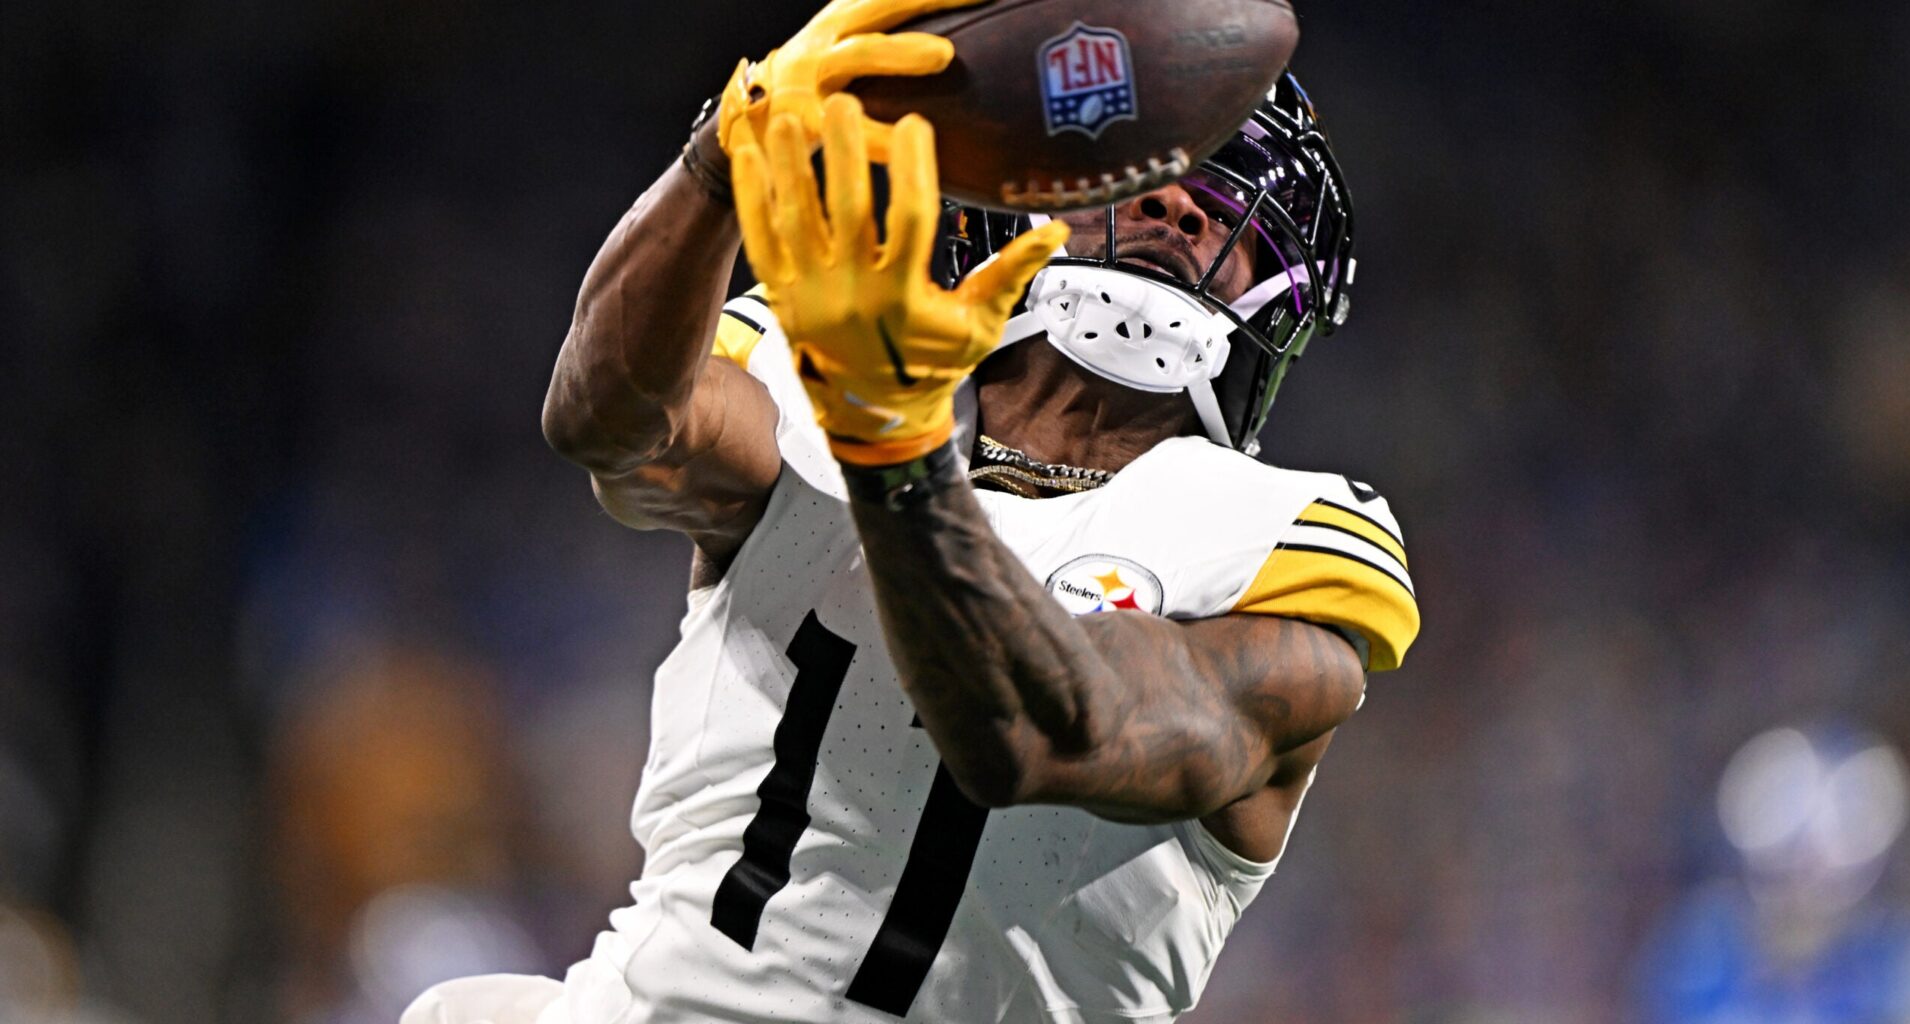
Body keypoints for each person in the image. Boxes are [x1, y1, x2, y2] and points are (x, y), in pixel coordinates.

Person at [405, 0, 1418, 1020]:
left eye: (1219, 199)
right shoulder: (820, 368)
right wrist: (724, 153)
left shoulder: (1282, 532)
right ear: (1026, 192)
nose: (1182, 211)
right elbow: (606, 422)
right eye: (1147, 173)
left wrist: (892, 440)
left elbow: (1036, 736)